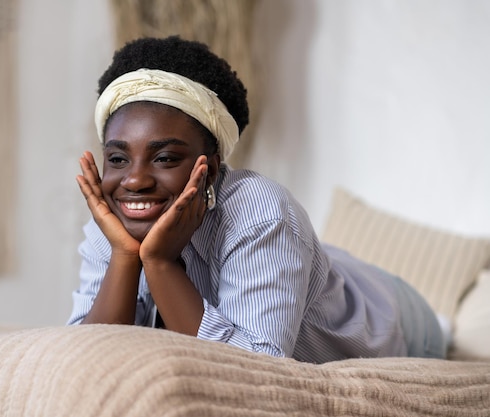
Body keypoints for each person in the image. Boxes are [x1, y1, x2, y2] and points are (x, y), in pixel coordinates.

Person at [68, 36, 447, 363]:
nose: (134, 180)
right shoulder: (115, 220)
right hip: (309, 267)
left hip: (396, 315)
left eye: (165, 157)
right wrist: (124, 255)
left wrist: (160, 262)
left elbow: (255, 368)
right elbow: (85, 351)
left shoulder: (262, 214)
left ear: (211, 170)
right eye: (117, 159)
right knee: (307, 262)